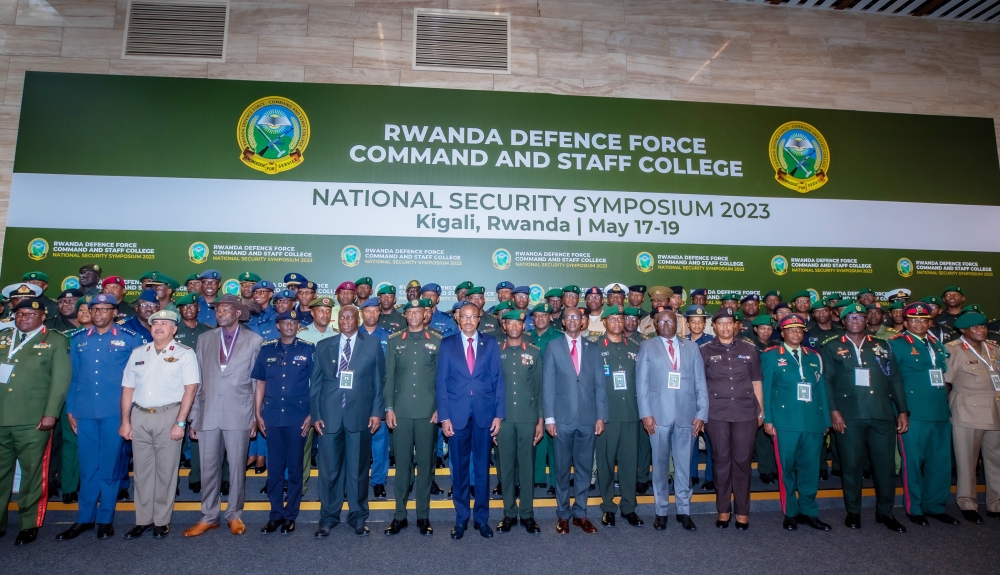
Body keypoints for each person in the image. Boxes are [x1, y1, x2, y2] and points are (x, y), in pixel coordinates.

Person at [56, 294, 143, 542]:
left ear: (115, 312)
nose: (99, 314)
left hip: (115, 412)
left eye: (105, 309)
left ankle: (105, 519)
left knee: (109, 468)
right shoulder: (79, 340)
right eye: (94, 310)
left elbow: (137, 379)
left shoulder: (130, 339)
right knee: (87, 468)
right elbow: (74, 378)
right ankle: (84, 518)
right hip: (84, 411)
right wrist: (71, 409)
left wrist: (130, 414)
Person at [823, 302, 908, 532]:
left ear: (867, 320)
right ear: (843, 321)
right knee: (851, 466)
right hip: (849, 417)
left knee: (885, 467)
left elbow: (895, 379)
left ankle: (885, 512)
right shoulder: (832, 347)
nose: (856, 321)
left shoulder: (882, 346)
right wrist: (833, 411)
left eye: (860, 317)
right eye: (850, 317)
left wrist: (902, 410)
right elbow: (827, 382)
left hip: (881, 414)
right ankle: (853, 511)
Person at [184, 295, 263, 537]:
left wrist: (253, 417)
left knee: (238, 467)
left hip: (239, 412)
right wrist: (194, 415)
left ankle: (234, 515)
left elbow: (255, 382)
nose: (220, 313)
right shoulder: (205, 338)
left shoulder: (254, 340)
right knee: (208, 467)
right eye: (218, 309)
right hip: (207, 413)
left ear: (238, 313)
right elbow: (197, 380)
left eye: (226, 309)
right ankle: (209, 516)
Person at [120, 310, 198, 540]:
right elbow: (128, 389)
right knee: (142, 472)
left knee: (165, 472)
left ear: (175, 329)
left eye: (165, 323)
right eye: (156, 323)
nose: (159, 327)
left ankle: (161, 521)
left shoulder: (184, 354)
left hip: (169, 415)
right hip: (140, 415)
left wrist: (180, 422)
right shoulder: (138, 353)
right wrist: (125, 421)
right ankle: (143, 520)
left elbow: (190, 389)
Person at [0, 299, 71, 545]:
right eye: (19, 314)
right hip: (2, 417)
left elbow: (60, 381)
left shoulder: (56, 340)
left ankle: (28, 524)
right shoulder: (4, 336)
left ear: (43, 316)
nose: (23, 318)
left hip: (33, 420)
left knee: (32, 475)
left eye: (30, 314)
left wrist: (51, 413)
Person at [311, 305, 384, 538]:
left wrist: (376, 412)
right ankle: (328, 517)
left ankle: (358, 517)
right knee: (329, 471)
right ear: (337, 319)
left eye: (349, 317)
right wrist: (316, 415)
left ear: (358, 319)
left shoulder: (372, 345)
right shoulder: (323, 346)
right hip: (329, 416)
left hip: (360, 416)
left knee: (358, 471)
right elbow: (316, 384)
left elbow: (378, 382)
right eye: (341, 317)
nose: (345, 320)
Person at [436, 302, 504, 539]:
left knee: (483, 469)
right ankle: (462, 518)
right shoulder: (447, 344)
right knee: (460, 470)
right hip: (456, 416)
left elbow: (498, 381)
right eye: (463, 317)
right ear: (457, 319)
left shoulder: (491, 343)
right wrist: (444, 416)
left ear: (478, 319)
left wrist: (498, 414)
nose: (467, 320)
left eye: (472, 317)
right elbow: (441, 384)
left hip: (485, 416)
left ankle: (482, 519)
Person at [637, 307, 707, 531]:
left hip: (687, 417)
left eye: (670, 322)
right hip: (657, 417)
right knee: (659, 466)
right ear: (655, 325)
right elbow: (642, 384)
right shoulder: (647, 346)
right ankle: (661, 511)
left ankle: (684, 511)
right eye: (661, 323)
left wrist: (701, 413)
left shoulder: (692, 347)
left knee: (684, 466)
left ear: (677, 324)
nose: (666, 326)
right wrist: (645, 414)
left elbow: (700, 383)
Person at [887, 303, 957, 526]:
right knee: (913, 463)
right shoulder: (896, 344)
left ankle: (935, 505)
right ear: (905, 322)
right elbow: (890, 380)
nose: (919, 323)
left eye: (923, 320)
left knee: (940, 463)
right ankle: (914, 508)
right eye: (914, 320)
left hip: (939, 411)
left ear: (929, 322)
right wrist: (901, 411)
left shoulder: (936, 344)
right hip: (913, 413)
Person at [761, 315, 832, 531]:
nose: (795, 334)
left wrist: (826, 420)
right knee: (787, 469)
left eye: (799, 330)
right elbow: (766, 391)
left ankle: (809, 511)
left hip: (812, 421)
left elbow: (821, 390)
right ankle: (790, 512)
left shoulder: (814, 356)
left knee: (810, 469)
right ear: (782, 333)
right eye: (790, 330)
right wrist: (768, 419)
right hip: (785, 422)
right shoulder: (771, 356)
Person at [382, 297, 444, 536]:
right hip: (402, 413)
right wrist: (388, 408)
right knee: (403, 467)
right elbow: (389, 378)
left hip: (428, 413)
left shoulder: (437, 341)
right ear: (405, 316)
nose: (415, 315)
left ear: (426, 314)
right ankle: (399, 515)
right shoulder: (395, 341)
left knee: (426, 466)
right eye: (411, 312)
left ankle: (423, 516)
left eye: (420, 311)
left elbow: (441, 380)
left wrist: (441, 409)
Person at [543, 306, 607, 535]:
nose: (572, 320)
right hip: (562, 419)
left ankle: (580, 514)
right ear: (563, 322)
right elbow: (548, 384)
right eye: (568, 317)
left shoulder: (593, 348)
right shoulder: (553, 347)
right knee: (561, 469)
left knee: (584, 468)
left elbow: (600, 385)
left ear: (583, 322)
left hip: (588, 419)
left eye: (576, 317)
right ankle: (563, 514)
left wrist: (601, 416)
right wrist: (549, 417)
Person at [252, 310, 315, 534]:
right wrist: (257, 414)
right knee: (275, 469)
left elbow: (315, 386)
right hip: (271, 416)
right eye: (284, 322)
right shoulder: (266, 349)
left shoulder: (308, 349)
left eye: (293, 322)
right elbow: (260, 383)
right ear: (278, 325)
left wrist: (312, 415)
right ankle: (275, 515)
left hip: (298, 417)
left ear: (299, 325)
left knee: (295, 469)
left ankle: (291, 515)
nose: (289, 325)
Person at [700, 307, 763, 530]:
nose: (725, 327)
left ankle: (743, 512)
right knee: (721, 462)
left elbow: (756, 382)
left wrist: (761, 411)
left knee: (743, 462)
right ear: (714, 327)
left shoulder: (750, 349)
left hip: (746, 413)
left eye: (729, 323)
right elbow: (699, 385)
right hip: (716, 414)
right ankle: (724, 509)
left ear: (735, 326)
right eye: (721, 323)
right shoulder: (704, 351)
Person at [945, 312, 1000, 524]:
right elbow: (945, 382)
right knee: (967, 461)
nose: (981, 331)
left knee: (996, 461)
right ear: (963, 330)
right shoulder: (953, 350)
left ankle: (996, 503)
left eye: (983, 327)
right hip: (968, 411)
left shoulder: (994, 348)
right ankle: (967, 504)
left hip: (995, 410)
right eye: (975, 328)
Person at [494, 310, 543, 534]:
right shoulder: (495, 352)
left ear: (524, 326)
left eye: (518, 323)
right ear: (504, 327)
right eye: (510, 323)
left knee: (526, 468)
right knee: (505, 468)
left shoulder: (534, 352)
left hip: (527, 418)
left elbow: (540, 389)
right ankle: (509, 513)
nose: (514, 327)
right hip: (502, 419)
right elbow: (489, 389)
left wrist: (540, 421)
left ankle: (528, 514)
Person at [594, 306, 644, 527]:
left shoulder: (635, 347)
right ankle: (608, 507)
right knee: (605, 464)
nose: (616, 322)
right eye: (611, 319)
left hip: (631, 414)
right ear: (604, 322)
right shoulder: (594, 348)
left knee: (628, 463)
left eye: (620, 319)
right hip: (606, 416)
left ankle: (629, 507)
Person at [525, 303, 561, 492]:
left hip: (555, 393)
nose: (540, 319)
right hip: (532, 393)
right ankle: (538, 477)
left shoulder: (559, 337)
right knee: (536, 435)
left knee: (555, 438)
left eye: (543, 315)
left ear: (550, 317)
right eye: (536, 316)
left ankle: (556, 481)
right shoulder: (526, 337)